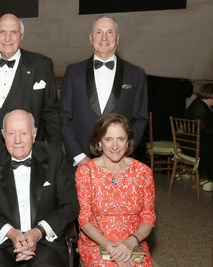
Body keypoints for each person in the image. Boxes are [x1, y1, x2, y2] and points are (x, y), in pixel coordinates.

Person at [0, 109, 79, 267]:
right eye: (11, 133)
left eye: (24, 133)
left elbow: (70, 205)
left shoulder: (54, 156)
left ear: (34, 134)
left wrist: (38, 232)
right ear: (3, 134)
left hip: (45, 243)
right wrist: (11, 233)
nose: (17, 140)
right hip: (0, 244)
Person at [60, 15, 148, 168]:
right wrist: (79, 157)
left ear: (117, 38)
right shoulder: (73, 72)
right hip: (80, 164)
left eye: (110, 32)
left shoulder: (136, 74)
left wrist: (122, 152)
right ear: (91, 37)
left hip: (119, 163)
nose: (104, 38)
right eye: (98, 32)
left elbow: (140, 119)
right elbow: (64, 118)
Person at [75, 113, 155, 266]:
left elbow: (148, 218)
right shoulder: (86, 172)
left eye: (121, 139)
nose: (115, 146)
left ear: (128, 142)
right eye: (108, 139)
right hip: (97, 243)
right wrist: (112, 249)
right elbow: (84, 220)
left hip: (133, 241)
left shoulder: (143, 172)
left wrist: (130, 243)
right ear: (99, 143)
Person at [0, 13, 61, 151]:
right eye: (2, 31)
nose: (7, 38)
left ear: (21, 36)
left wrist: (54, 152)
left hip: (28, 150)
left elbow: (51, 112)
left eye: (13, 32)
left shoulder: (41, 65)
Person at [185, 83, 213, 197]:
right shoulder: (199, 106)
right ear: (212, 95)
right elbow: (201, 129)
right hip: (193, 146)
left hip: (198, 142)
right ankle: (209, 178)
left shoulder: (203, 105)